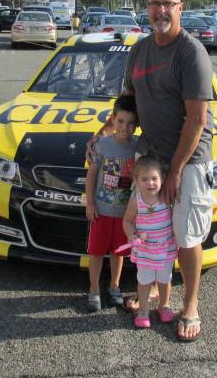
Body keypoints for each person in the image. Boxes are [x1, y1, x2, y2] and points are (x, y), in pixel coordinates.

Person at [87, 0, 215, 341]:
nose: (161, 10)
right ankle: (158, 289)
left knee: (185, 234)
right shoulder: (139, 51)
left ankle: (190, 304)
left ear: (180, 8)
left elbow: (197, 120)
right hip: (150, 157)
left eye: (168, 4)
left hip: (187, 160)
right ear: (148, 7)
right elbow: (127, 102)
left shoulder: (191, 53)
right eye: (155, 4)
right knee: (150, 230)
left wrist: (174, 171)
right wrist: (101, 134)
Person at [85, 94, 138, 312]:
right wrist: (89, 203)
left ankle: (114, 286)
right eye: (120, 121)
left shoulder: (137, 147)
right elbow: (91, 175)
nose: (125, 127)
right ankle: (94, 289)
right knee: (96, 252)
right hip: (101, 211)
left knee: (118, 253)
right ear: (113, 120)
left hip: (125, 215)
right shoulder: (102, 145)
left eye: (131, 123)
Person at [123, 155, 178, 328]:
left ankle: (164, 305)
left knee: (165, 279)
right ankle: (143, 310)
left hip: (165, 249)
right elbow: (127, 221)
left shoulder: (167, 197)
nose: (150, 183)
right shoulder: (136, 201)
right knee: (144, 281)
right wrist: (131, 235)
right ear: (136, 181)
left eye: (154, 178)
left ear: (162, 179)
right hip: (145, 250)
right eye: (144, 179)